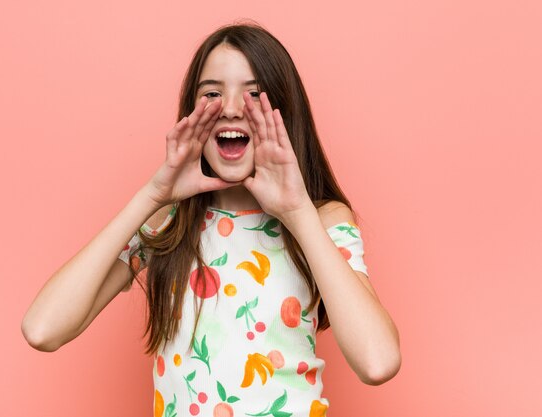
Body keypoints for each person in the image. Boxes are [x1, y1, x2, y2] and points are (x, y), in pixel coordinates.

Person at [22, 22, 401, 417]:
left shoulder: (319, 220)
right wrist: (154, 195)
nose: (233, 108)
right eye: (213, 94)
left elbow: (378, 362)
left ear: (284, 114)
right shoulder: (170, 221)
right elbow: (42, 329)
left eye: (254, 94)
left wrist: (296, 210)